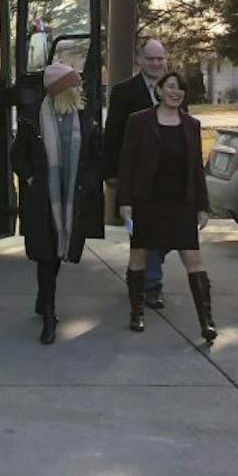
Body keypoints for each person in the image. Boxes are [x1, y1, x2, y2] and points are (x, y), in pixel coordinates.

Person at [116, 71, 216, 342]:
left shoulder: (191, 125)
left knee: (193, 259)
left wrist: (202, 207)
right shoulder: (139, 121)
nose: (175, 92)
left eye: (180, 88)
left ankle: (206, 321)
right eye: (170, 87)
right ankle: (137, 312)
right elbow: (127, 164)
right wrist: (125, 202)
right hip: (147, 202)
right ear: (159, 90)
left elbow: (197, 169)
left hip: (181, 203)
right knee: (138, 257)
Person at [11, 62, 105, 345]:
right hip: (42, 200)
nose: (80, 89)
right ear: (62, 90)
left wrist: (87, 183)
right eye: (75, 84)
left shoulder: (85, 118)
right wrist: (29, 180)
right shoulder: (32, 120)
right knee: (46, 255)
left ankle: (44, 296)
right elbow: (17, 157)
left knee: (57, 252)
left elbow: (97, 159)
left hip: (71, 198)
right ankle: (50, 313)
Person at [103, 37, 172, 308]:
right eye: (151, 58)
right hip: (137, 179)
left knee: (169, 233)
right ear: (140, 61)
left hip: (170, 180)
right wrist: (110, 173)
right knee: (144, 233)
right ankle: (151, 285)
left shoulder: (175, 88)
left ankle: (139, 273)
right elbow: (112, 136)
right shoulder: (124, 92)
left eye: (160, 58)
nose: (156, 63)